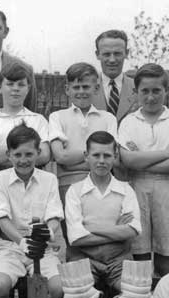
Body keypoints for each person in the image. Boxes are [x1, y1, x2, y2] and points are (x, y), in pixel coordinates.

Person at [62, 131, 142, 298]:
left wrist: (91, 228)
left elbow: (133, 231)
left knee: (136, 293)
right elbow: (76, 238)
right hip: (84, 257)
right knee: (79, 290)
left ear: (115, 157)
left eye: (107, 155)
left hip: (119, 258)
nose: (101, 160)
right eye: (95, 154)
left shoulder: (126, 190)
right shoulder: (75, 191)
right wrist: (115, 231)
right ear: (86, 156)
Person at [0, 123, 63, 298]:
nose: (23, 160)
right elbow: (2, 219)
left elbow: (53, 216)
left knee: (59, 290)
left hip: (42, 248)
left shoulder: (49, 179)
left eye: (29, 154)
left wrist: (44, 233)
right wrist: (22, 242)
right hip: (11, 246)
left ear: (38, 154)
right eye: (18, 154)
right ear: (8, 155)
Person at [118, 63, 169, 279]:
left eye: (156, 91)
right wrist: (165, 153)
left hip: (168, 191)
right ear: (136, 93)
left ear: (166, 91)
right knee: (139, 264)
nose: (151, 97)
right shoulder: (128, 122)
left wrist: (142, 159)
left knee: (167, 261)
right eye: (145, 91)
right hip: (136, 190)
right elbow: (128, 160)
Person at [49, 63, 117, 261]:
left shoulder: (108, 118)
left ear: (96, 88)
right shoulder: (57, 117)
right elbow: (60, 157)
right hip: (67, 185)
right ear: (67, 89)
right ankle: (77, 287)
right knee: (75, 240)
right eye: (76, 87)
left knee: (102, 238)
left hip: (101, 185)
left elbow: (113, 157)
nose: (81, 92)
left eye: (86, 86)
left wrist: (74, 158)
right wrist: (97, 155)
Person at [0, 61, 50, 180]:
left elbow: (44, 155)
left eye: (21, 84)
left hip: (33, 181)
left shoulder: (38, 120)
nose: (15, 89)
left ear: (28, 88)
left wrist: (0, 148)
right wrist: (30, 151)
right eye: (10, 84)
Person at [92, 30, 137, 124]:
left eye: (117, 54)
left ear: (126, 53)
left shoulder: (139, 88)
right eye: (106, 54)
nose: (112, 60)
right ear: (97, 55)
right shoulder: (84, 89)